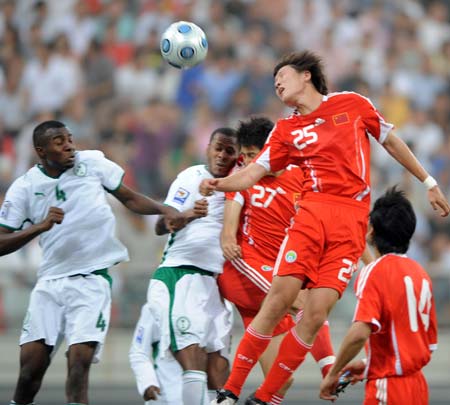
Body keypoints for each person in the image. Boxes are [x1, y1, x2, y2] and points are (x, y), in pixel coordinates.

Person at [200, 51, 450, 405]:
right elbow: (254, 172)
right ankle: (231, 390)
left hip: (350, 223)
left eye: (282, 76)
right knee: (278, 300)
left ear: (306, 75)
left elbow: (391, 141)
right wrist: (220, 184)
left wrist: (428, 182)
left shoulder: (352, 104)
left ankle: (267, 397)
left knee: (314, 315)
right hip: (312, 215)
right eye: (273, 83)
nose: (277, 84)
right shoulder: (286, 128)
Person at [0, 120, 180, 405]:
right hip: (50, 283)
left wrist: (163, 209)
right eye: (59, 142)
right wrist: (39, 227)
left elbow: (130, 198)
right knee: (29, 372)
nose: (69, 145)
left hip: (92, 280)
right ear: (41, 150)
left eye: (69, 138)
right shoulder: (24, 187)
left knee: (79, 363)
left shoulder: (93, 162)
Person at [217, 116, 337, 405]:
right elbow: (230, 222)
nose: (244, 161)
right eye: (242, 155)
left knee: (280, 381)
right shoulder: (242, 177)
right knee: (304, 301)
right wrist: (228, 237)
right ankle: (331, 371)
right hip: (244, 269)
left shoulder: (300, 175)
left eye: (249, 154)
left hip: (271, 282)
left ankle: (243, 400)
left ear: (269, 150)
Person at [130, 127, 239, 405]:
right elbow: (159, 225)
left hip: (217, 283)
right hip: (181, 274)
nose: (222, 155)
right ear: (208, 148)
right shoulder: (191, 177)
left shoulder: (240, 185)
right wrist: (190, 214)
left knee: (218, 368)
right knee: (193, 357)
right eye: (218, 148)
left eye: (230, 150)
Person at [319, 187, 438, 404]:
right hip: (418, 388)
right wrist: (368, 363)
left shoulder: (374, 272)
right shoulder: (422, 275)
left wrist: (333, 373)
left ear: (371, 230)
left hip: (388, 386)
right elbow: (424, 343)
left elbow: (359, 332)